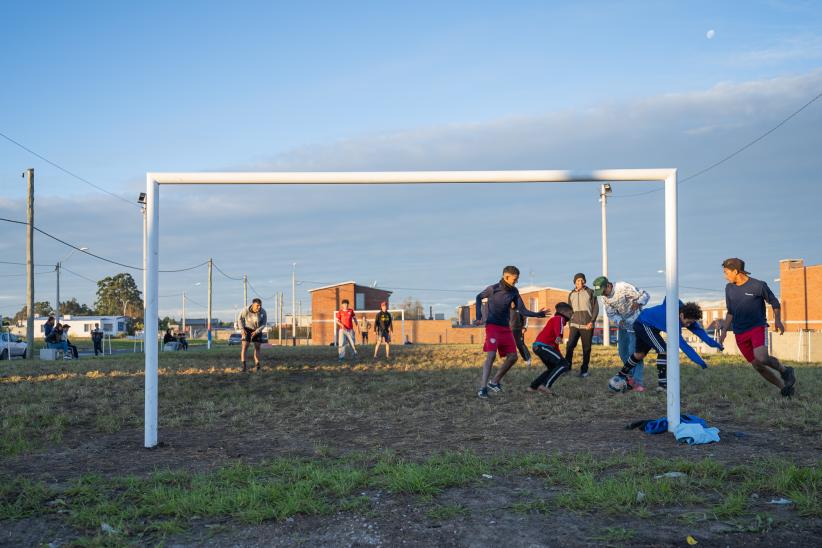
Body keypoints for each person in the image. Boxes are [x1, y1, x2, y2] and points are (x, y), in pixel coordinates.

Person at [718, 258, 795, 397]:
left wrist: (777, 320)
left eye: (726, 272)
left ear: (735, 271)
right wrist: (724, 331)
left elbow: (774, 302)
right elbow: (730, 311)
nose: (725, 276)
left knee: (762, 358)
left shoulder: (758, 286)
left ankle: (785, 370)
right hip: (739, 333)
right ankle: (784, 388)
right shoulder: (729, 288)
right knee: (758, 366)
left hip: (757, 327)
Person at [474, 265, 547, 399]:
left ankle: (494, 382)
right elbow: (478, 297)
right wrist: (479, 317)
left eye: (517, 279)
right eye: (515, 279)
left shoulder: (514, 291)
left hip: (505, 328)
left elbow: (522, 310)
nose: (516, 282)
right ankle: (482, 389)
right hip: (492, 327)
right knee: (491, 356)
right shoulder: (493, 288)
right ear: (506, 276)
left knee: (513, 357)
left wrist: (538, 314)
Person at [615, 300, 722, 391]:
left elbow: (700, 332)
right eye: (688, 322)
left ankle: (622, 374)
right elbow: (684, 346)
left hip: (646, 323)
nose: (688, 325)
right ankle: (662, 385)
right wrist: (700, 361)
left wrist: (716, 344)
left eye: (691, 323)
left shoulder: (685, 314)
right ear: (681, 315)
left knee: (639, 354)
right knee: (664, 350)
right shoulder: (673, 320)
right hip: (643, 324)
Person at [593, 276, 651, 391]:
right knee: (622, 351)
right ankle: (628, 376)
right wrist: (619, 321)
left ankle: (637, 382)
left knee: (633, 352)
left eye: (603, 291)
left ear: (609, 285)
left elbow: (645, 295)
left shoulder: (623, 287)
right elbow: (611, 313)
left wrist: (638, 303)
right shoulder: (605, 298)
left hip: (636, 322)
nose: (603, 294)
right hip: (623, 325)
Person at [527, 302, 573, 395]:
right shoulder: (559, 318)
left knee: (552, 367)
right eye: (570, 314)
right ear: (564, 312)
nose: (571, 316)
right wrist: (559, 336)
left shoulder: (556, 320)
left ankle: (533, 387)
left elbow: (555, 346)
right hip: (543, 346)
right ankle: (545, 386)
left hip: (539, 347)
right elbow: (558, 331)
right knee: (564, 364)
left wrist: (560, 356)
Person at [565, 273, 598, 377]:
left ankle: (584, 370)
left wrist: (592, 321)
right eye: (578, 281)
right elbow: (569, 310)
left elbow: (596, 308)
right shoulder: (571, 294)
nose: (580, 282)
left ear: (584, 281)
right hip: (574, 324)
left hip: (587, 325)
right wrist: (570, 322)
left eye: (582, 280)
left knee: (586, 348)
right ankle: (567, 368)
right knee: (570, 346)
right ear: (574, 282)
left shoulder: (590, 292)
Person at [238, 298, 267, 372]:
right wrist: (242, 329)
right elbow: (240, 319)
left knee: (257, 347)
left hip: (257, 330)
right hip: (247, 328)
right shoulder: (246, 310)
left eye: (260, 305)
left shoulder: (263, 312)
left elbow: (264, 324)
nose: (259, 307)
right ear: (253, 305)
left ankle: (257, 365)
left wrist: (257, 331)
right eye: (257, 305)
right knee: (245, 346)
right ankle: (244, 366)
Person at [510, 302, 532, 368]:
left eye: (513, 302)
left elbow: (526, 318)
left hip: (519, 330)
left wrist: (525, 327)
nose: (512, 304)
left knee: (520, 345)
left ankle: (527, 359)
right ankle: (510, 361)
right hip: (509, 330)